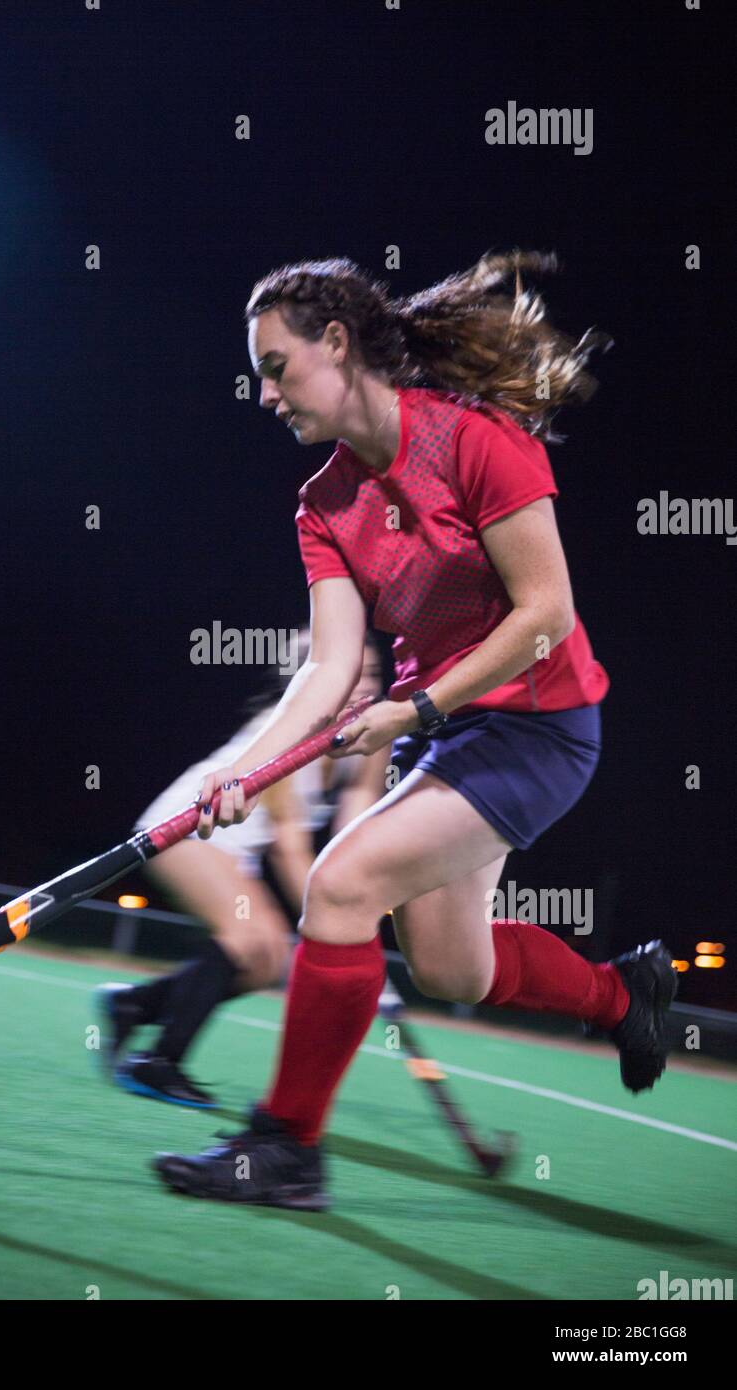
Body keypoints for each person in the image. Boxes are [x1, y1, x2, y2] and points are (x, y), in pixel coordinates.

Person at [151, 251, 677, 1211]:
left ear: (339, 345)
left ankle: (287, 1150)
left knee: (340, 887)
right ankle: (622, 993)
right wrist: (249, 773)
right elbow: (325, 667)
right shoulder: (323, 505)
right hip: (455, 732)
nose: (266, 394)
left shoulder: (478, 442)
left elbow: (546, 616)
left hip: (540, 728)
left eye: (277, 367)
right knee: (451, 969)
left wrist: (419, 708)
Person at [96, 634, 389, 1107]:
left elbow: (355, 828)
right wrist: (344, 926)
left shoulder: (376, 735)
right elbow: (288, 849)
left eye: (372, 673)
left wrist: (363, 910)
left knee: (266, 962)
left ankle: (136, 1004)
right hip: (187, 828)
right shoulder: (290, 732)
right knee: (248, 937)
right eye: (351, 673)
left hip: (236, 851)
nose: (364, 686)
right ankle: (158, 1063)